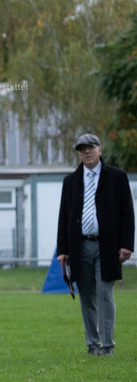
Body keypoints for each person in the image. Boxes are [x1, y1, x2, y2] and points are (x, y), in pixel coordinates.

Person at [57, 133, 134, 356]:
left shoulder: (117, 178)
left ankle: (107, 345)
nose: (86, 152)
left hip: (107, 247)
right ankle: (93, 343)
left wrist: (126, 244)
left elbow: (127, 213)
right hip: (79, 247)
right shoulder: (70, 182)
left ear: (99, 149)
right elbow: (64, 216)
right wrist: (62, 250)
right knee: (87, 296)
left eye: (90, 147)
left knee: (104, 293)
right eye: (82, 149)